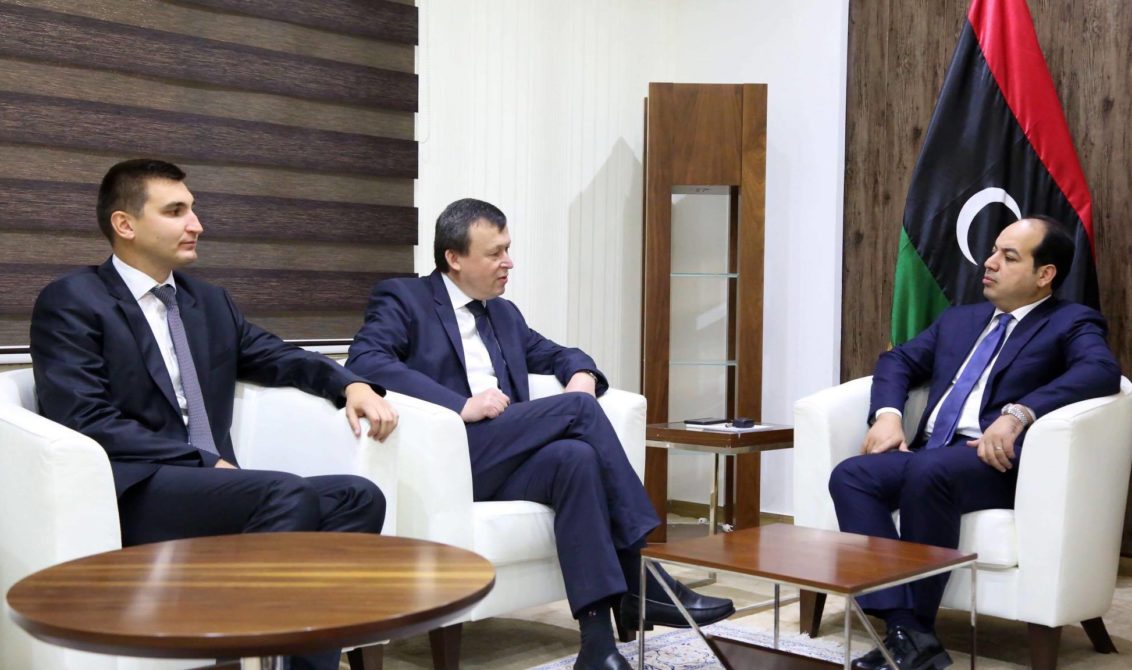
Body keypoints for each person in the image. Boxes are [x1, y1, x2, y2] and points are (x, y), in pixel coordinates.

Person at [31, 158, 399, 670]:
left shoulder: (207, 302)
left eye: (193, 209)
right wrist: (202, 462)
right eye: (176, 211)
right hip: (136, 489)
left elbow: (277, 356)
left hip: (210, 487)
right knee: (285, 492)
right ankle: (232, 651)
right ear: (125, 224)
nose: (197, 224)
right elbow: (85, 416)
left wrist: (349, 383)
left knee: (357, 497)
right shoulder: (73, 300)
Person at [346, 198, 734, 670]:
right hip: (451, 458)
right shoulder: (404, 299)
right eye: (495, 253)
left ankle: (596, 645)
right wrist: (461, 406)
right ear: (454, 257)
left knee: (576, 459)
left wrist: (583, 375)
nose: (508, 262)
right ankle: (643, 573)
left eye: (508, 249)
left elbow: (560, 354)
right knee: (578, 412)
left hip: (504, 456)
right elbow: (366, 360)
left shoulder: (503, 314)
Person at [829, 216, 1121, 670]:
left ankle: (914, 630)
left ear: (1045, 274)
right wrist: (888, 415)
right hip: (931, 454)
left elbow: (1100, 371)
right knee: (852, 474)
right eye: (993, 251)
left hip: (992, 462)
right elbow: (897, 361)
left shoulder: (1070, 321)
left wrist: (1019, 414)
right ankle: (907, 630)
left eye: (1009, 257)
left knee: (929, 471)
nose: (989, 262)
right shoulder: (960, 319)